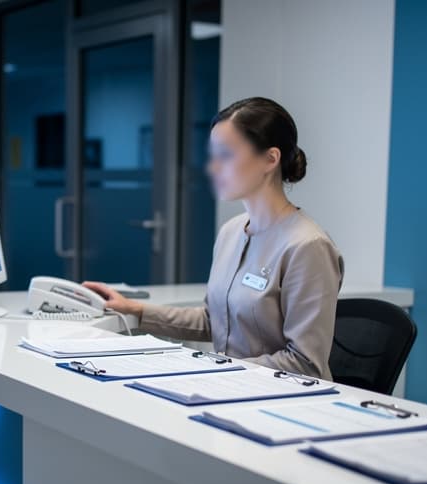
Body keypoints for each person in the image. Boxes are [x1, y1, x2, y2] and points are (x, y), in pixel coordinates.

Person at [84, 97, 344, 379]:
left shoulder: (307, 246)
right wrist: (136, 310)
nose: (213, 168)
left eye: (226, 155)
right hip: (227, 388)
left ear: (270, 159)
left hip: (280, 403)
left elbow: (306, 363)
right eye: (213, 156)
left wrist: (215, 368)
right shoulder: (231, 232)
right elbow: (214, 321)